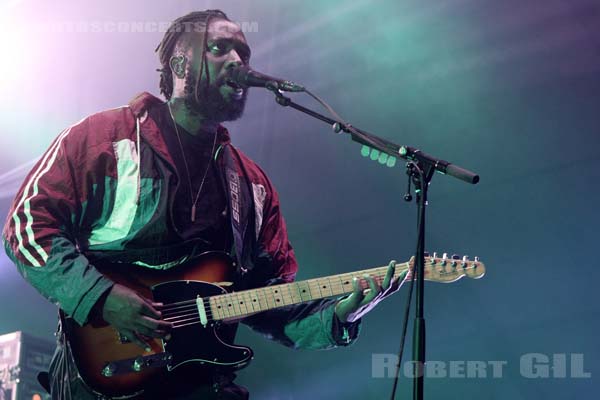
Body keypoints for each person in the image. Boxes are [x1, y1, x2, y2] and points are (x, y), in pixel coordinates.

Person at [2, 10, 406, 399]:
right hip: (101, 375)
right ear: (179, 63)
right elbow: (26, 227)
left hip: (204, 382)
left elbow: (269, 300)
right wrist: (100, 296)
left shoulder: (252, 186)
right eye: (220, 48)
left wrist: (340, 316)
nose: (237, 60)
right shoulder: (103, 138)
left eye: (243, 53)